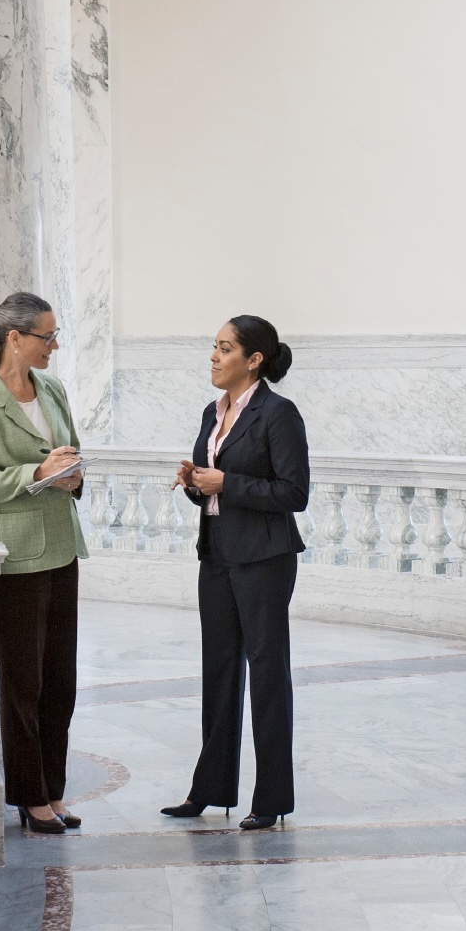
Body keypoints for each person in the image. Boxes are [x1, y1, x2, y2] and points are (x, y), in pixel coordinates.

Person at [163, 315, 309, 830]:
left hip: (265, 559)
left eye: (224, 349)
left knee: (268, 675)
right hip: (218, 554)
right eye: (213, 347)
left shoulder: (278, 413)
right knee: (219, 671)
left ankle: (270, 800)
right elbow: (215, 485)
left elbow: (295, 494)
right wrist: (195, 482)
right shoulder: (212, 410)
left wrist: (228, 482)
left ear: (253, 360)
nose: (213, 357)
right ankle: (210, 789)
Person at [0, 292, 87, 836]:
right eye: (47, 337)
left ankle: (53, 792)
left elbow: (71, 450)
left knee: (62, 682)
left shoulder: (52, 388)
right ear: (15, 338)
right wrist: (35, 475)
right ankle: (30, 799)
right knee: (24, 684)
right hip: (15, 560)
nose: (55, 345)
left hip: (61, 547)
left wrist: (73, 472)